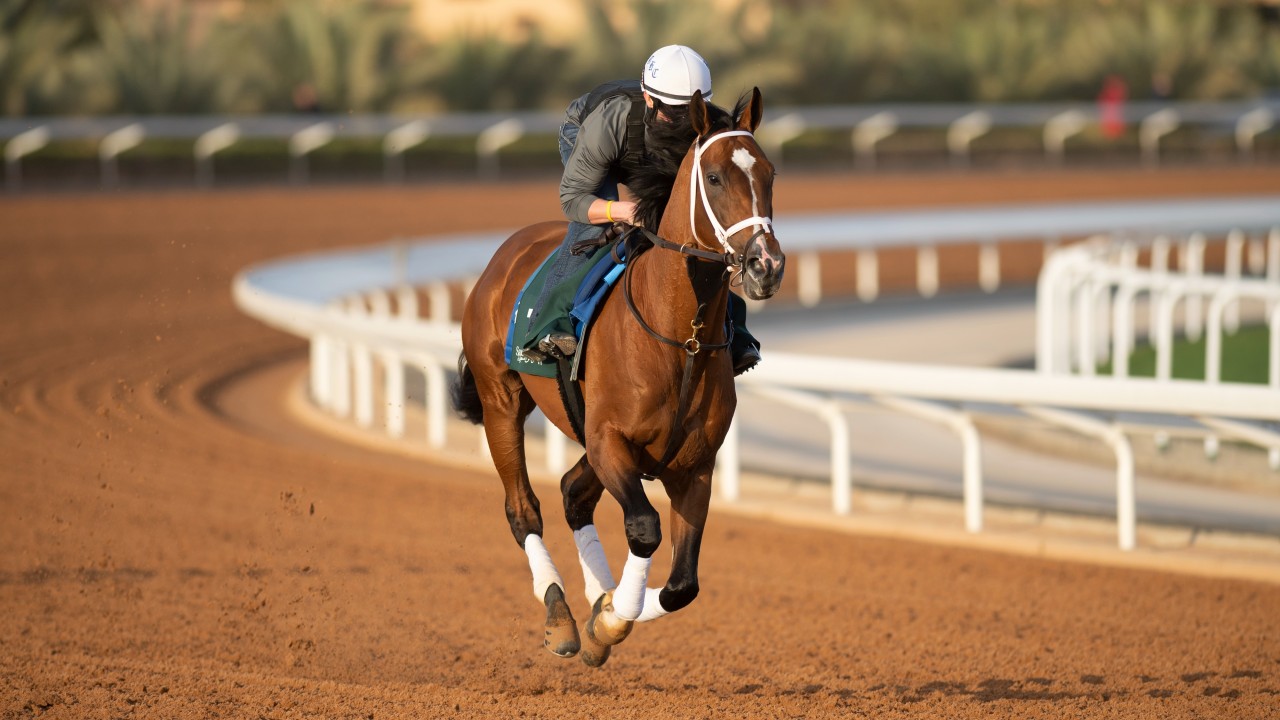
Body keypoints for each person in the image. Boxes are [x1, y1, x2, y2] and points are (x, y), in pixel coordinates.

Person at [530, 44, 761, 375]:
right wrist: (624, 212)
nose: (684, 122)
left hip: (649, 155)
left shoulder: (709, 123)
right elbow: (573, 198)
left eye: (691, 110)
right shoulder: (608, 124)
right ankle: (548, 322)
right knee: (594, 228)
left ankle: (732, 326)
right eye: (674, 112)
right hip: (590, 137)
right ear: (649, 98)